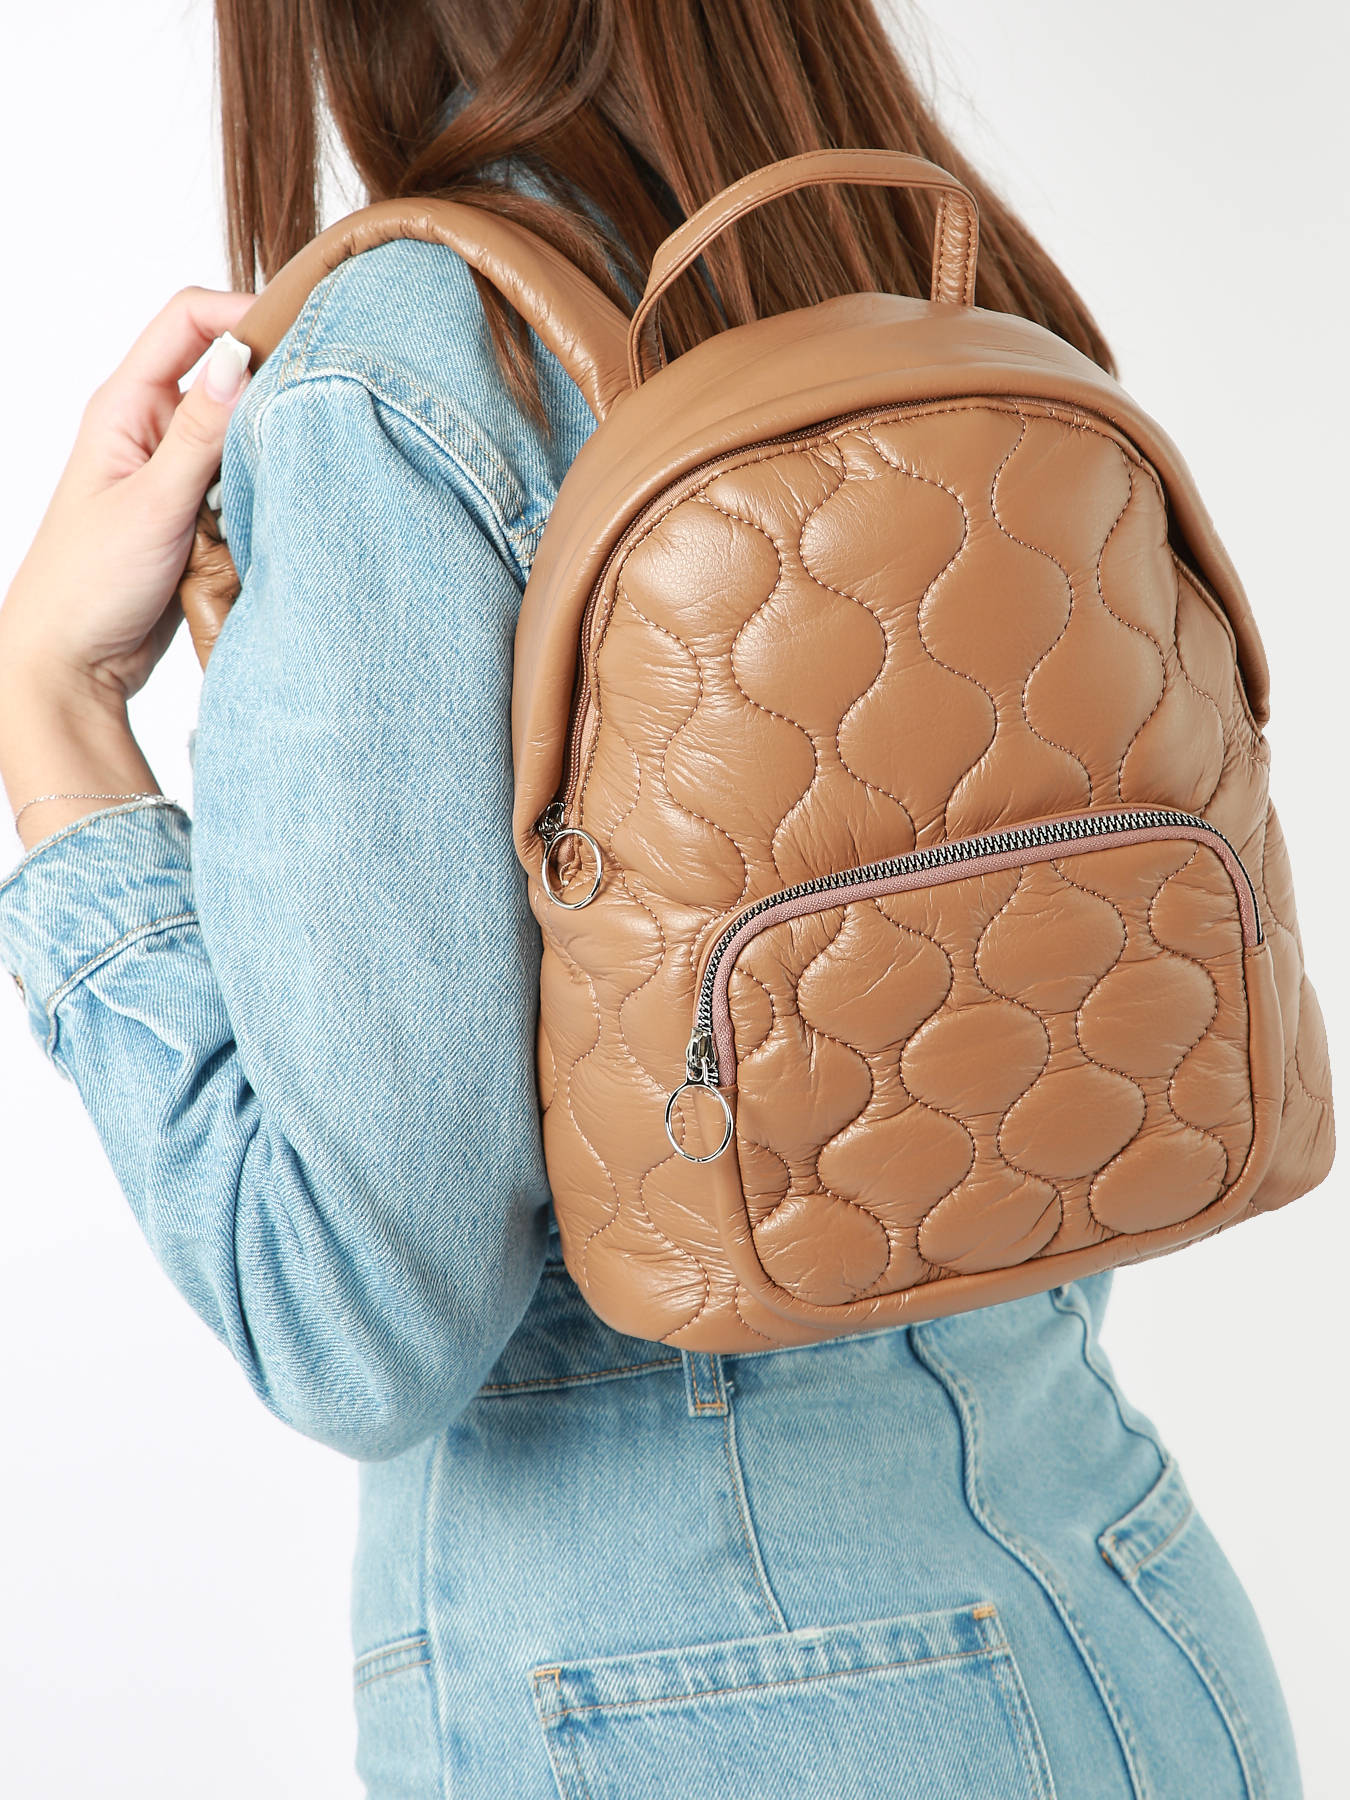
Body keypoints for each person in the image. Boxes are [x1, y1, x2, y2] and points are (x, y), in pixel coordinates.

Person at [0, 3, 1306, 1794]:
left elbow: (356, 1326)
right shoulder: (925, 279)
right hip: (1135, 1612)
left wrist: (55, 714)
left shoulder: (404, 369)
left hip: (704, 1703)